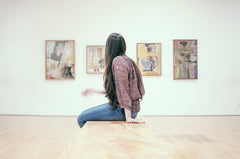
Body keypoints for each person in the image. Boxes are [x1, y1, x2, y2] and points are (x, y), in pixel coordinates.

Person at [77, 33, 145, 128]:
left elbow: (123, 89)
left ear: (109, 47)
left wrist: (128, 117)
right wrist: (95, 91)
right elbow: (118, 89)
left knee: (81, 118)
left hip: (122, 111)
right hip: (127, 109)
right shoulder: (127, 60)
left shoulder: (118, 61)